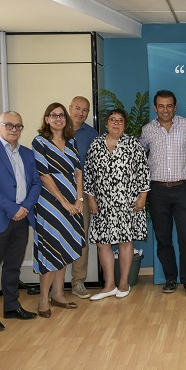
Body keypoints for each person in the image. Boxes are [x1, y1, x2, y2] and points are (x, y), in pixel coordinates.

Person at [0, 111, 41, 332]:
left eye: (18, 126)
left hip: (21, 218)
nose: (14, 129)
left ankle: (11, 306)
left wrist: (24, 208)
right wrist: (13, 209)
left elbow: (35, 183)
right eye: (9, 125)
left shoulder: (28, 154)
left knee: (13, 266)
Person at [84, 109, 149, 300]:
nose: (116, 123)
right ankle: (109, 285)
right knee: (102, 243)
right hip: (102, 204)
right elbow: (88, 174)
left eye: (120, 120)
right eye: (113, 120)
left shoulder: (133, 144)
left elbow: (144, 172)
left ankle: (123, 283)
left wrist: (142, 197)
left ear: (125, 125)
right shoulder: (96, 144)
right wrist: (91, 199)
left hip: (127, 202)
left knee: (125, 241)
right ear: (106, 123)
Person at [139, 90, 186, 297]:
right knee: (163, 238)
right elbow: (138, 155)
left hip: (183, 189)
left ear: (175, 107)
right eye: (161, 106)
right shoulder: (147, 130)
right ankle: (170, 278)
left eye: (169, 106)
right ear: (155, 108)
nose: (165, 110)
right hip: (157, 191)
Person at [32, 103, 85, 317]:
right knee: (51, 249)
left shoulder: (71, 142)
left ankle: (58, 294)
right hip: (50, 205)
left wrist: (79, 199)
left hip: (72, 203)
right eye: (53, 115)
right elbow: (44, 176)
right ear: (46, 119)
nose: (58, 118)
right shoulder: (40, 142)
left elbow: (78, 172)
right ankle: (43, 299)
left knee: (64, 246)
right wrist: (63, 202)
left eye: (61, 115)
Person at [69, 96, 99, 299]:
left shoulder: (92, 134)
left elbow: (94, 167)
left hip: (82, 193)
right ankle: (53, 282)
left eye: (85, 110)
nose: (81, 113)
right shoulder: (56, 128)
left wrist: (90, 196)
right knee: (57, 236)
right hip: (56, 194)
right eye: (78, 108)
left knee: (81, 237)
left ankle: (78, 281)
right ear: (70, 108)